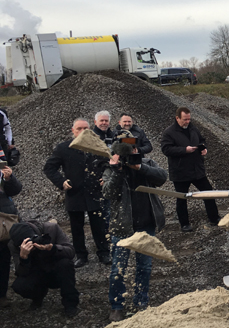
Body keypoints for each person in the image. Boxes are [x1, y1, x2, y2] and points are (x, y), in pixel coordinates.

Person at [102, 140, 168, 322]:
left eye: (133, 150)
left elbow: (163, 177)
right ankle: (116, 305)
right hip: (122, 226)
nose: (131, 155)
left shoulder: (147, 163)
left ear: (137, 150)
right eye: (126, 153)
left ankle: (141, 302)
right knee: (118, 268)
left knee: (144, 267)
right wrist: (116, 170)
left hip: (146, 225)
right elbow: (108, 193)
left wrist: (140, 167)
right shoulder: (111, 169)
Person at [43, 118, 110, 268]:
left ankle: (104, 253)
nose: (83, 131)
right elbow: (49, 168)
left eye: (86, 128)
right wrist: (61, 182)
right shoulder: (64, 148)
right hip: (75, 193)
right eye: (79, 129)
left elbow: (108, 165)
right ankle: (81, 255)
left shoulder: (97, 146)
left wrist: (106, 178)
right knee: (76, 227)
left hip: (95, 192)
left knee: (99, 225)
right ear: (73, 131)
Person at [161, 107, 220, 232]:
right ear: (177, 118)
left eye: (189, 119)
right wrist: (184, 150)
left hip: (197, 169)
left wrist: (204, 148)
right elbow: (166, 149)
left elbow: (202, 140)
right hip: (180, 172)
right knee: (182, 198)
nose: (187, 122)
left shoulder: (193, 128)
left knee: (208, 193)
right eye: (184, 119)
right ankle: (184, 224)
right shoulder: (169, 132)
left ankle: (214, 218)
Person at [8, 221, 79, 317]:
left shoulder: (51, 228)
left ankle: (70, 303)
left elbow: (71, 252)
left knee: (66, 264)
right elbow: (20, 272)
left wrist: (52, 248)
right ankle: (38, 296)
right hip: (36, 272)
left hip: (56, 269)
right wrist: (23, 258)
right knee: (19, 286)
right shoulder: (13, 245)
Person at [0, 164, 22, 308]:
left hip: (3, 220)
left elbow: (15, 189)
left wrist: (9, 178)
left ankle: (1, 295)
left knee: (3, 260)